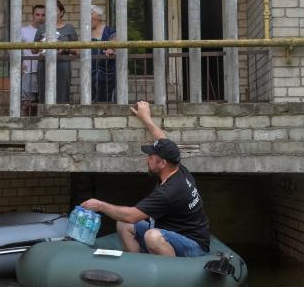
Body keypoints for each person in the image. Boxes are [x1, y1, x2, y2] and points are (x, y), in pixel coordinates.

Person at [81, 101, 210, 257]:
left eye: (150, 157)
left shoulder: (169, 191)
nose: (147, 160)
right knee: (124, 224)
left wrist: (100, 205)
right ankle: (138, 267)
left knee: (152, 236)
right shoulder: (177, 167)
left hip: (193, 245)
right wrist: (146, 118)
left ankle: (172, 274)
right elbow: (162, 139)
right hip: (170, 231)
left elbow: (132, 215)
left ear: (162, 163)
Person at [32, 0, 78, 103]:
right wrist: (42, 44)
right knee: (44, 91)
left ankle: (62, 116)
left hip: (62, 64)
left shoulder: (69, 28)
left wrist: (64, 47)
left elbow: (77, 50)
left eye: (55, 10)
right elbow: (33, 50)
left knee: (62, 91)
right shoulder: (42, 28)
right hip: (44, 63)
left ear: (61, 12)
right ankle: (45, 115)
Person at [21, 5, 45, 116]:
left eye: (43, 15)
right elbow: (11, 49)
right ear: (32, 15)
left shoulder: (49, 31)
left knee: (42, 103)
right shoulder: (24, 31)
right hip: (29, 72)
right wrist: (19, 64)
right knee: (27, 103)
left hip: (45, 71)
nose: (40, 17)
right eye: (37, 14)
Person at [90, 5, 116, 103]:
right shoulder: (87, 33)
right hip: (90, 73)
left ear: (99, 17)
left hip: (106, 73)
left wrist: (111, 48)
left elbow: (115, 42)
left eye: (92, 13)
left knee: (107, 99)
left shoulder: (109, 30)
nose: (89, 17)